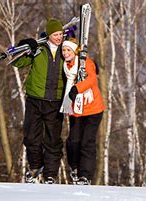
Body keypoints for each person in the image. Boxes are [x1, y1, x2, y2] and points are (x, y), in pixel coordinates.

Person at [11, 19, 66, 184]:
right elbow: (17, 62)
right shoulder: (39, 49)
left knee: (53, 140)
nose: (59, 37)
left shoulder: (66, 50)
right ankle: (35, 167)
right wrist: (24, 46)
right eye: (55, 34)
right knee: (31, 137)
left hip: (56, 102)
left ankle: (50, 174)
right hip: (35, 99)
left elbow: (79, 65)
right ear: (49, 35)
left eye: (61, 34)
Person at [60, 37, 105, 185]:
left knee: (87, 142)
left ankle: (85, 176)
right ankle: (74, 167)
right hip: (77, 110)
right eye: (64, 50)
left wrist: (76, 89)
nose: (66, 53)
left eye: (68, 50)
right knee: (73, 142)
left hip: (93, 109)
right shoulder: (66, 66)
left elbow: (91, 79)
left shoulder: (86, 63)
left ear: (75, 51)